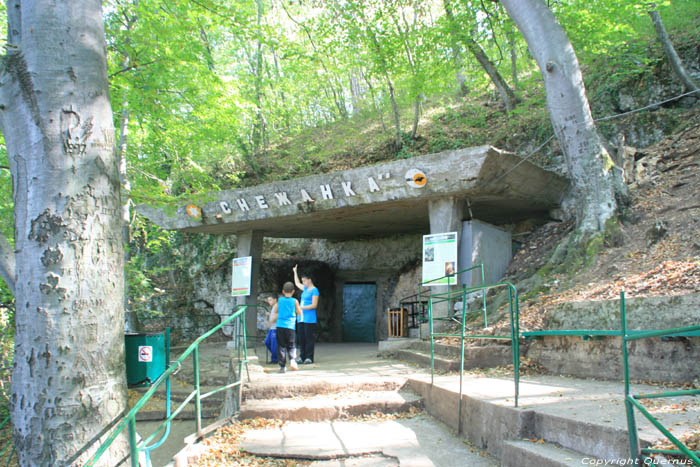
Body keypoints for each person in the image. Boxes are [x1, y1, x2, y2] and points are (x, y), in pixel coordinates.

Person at [269, 282, 302, 373]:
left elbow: (275, 311)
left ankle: (282, 366)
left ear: (283, 291)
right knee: (291, 345)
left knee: (281, 346)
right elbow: (299, 311)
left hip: (280, 326)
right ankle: (292, 360)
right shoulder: (295, 301)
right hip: (290, 326)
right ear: (293, 291)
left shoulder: (280, 301)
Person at [293, 264, 319, 364]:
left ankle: (309, 357)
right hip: (301, 317)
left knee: (309, 338)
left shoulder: (314, 290)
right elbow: (297, 283)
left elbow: (314, 305)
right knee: (301, 338)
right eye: (303, 280)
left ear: (310, 280)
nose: (303, 282)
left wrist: (301, 307)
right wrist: (295, 272)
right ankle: (302, 356)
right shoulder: (305, 289)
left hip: (309, 318)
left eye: (304, 280)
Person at [264, 296, 278, 364]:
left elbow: (276, 317)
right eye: (268, 300)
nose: (269, 301)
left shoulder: (276, 306)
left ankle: (275, 359)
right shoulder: (273, 307)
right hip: (272, 328)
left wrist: (269, 322)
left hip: (275, 328)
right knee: (267, 342)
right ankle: (277, 356)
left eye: (270, 300)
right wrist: (270, 314)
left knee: (274, 344)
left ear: (275, 299)